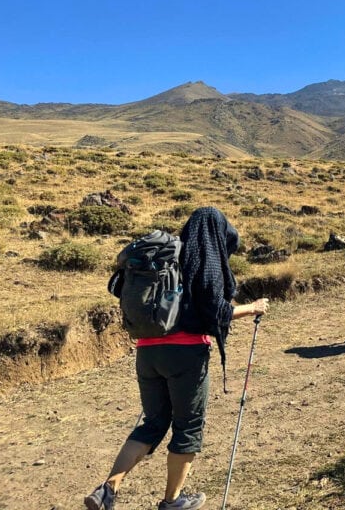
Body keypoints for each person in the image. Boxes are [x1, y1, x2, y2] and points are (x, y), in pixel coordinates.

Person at [84, 207, 270, 510]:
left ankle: (107, 489)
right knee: (188, 428)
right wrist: (253, 308)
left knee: (153, 422)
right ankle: (172, 502)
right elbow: (217, 313)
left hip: (147, 350)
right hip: (185, 355)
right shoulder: (202, 260)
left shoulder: (167, 258)